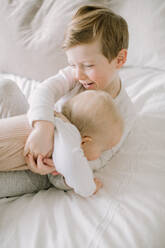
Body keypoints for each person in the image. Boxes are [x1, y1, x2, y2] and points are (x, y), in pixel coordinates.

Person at [24, 5, 137, 176]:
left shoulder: (124, 112)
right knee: (5, 89)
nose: (78, 74)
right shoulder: (76, 77)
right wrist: (43, 127)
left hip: (52, 164)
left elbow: (101, 158)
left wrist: (61, 164)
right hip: (37, 130)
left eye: (88, 65)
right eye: (72, 65)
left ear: (119, 59)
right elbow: (44, 91)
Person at [0, 87, 123, 197]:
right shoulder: (69, 137)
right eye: (102, 150)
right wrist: (90, 188)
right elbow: (73, 168)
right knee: (41, 181)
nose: (100, 156)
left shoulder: (47, 116)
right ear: (85, 141)